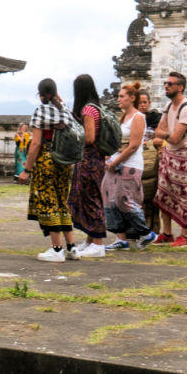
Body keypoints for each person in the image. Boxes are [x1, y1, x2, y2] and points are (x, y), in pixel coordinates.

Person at [17, 78, 78, 261]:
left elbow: (35, 143)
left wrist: (26, 169)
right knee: (61, 202)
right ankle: (72, 247)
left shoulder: (41, 111)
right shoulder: (65, 110)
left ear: (41, 94)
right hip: (64, 162)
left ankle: (57, 248)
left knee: (48, 201)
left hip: (46, 161)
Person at [103, 82, 156, 251]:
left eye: (122, 96)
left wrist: (115, 162)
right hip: (116, 161)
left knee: (124, 199)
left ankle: (145, 231)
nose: (118, 99)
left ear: (132, 98)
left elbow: (133, 145)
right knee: (109, 197)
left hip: (129, 164)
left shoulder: (138, 117)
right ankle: (121, 237)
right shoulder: (123, 117)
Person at [153, 71, 187, 247]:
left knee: (184, 195)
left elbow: (175, 138)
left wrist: (166, 134)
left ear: (180, 87)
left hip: (183, 155)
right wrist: (167, 134)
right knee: (164, 193)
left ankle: (184, 235)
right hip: (169, 154)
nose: (166, 86)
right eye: (165, 83)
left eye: (170, 84)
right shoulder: (168, 107)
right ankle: (167, 232)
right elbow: (159, 131)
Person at [67, 74, 108, 252]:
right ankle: (91, 239)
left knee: (91, 198)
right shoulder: (96, 107)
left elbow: (90, 138)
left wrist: (74, 138)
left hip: (89, 159)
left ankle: (98, 243)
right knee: (90, 197)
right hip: (96, 159)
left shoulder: (88, 111)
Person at [136, 91, 163, 236]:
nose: (142, 105)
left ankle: (153, 228)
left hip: (152, 161)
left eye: (145, 102)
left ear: (149, 103)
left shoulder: (155, 118)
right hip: (137, 160)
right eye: (140, 102)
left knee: (151, 195)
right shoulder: (133, 118)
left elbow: (159, 138)